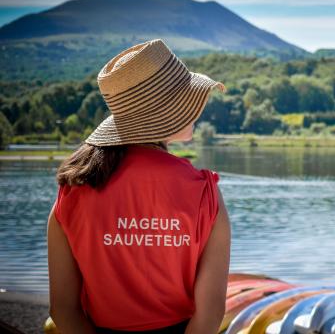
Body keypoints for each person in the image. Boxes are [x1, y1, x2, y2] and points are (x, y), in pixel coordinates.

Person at [47, 39, 231, 333]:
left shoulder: (72, 189)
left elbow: (62, 309)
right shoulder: (203, 191)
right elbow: (210, 314)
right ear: (167, 113)